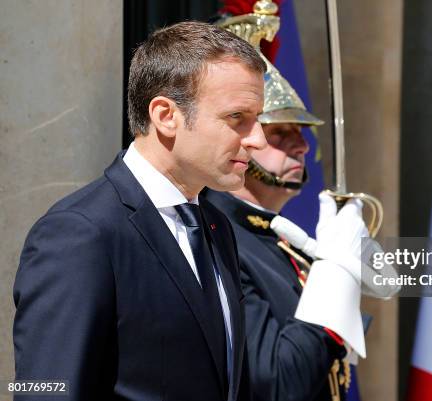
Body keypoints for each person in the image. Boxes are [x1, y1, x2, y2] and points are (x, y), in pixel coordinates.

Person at [13, 21, 266, 401]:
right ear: (166, 115)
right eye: (236, 118)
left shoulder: (215, 226)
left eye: (257, 119)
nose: (258, 138)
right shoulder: (81, 234)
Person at [206, 5, 369, 401]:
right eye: (280, 134)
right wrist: (334, 277)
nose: (301, 145)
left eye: (299, 133)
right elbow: (276, 382)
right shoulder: (219, 241)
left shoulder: (280, 243)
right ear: (246, 141)